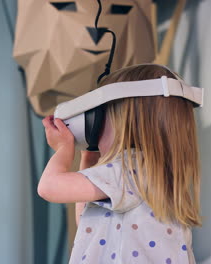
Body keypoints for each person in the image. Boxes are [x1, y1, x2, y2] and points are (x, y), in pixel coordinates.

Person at [39, 64, 201, 263]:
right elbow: (88, 224)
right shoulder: (153, 173)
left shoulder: (130, 168)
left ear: (122, 122)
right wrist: (88, 161)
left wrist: (64, 149)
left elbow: (49, 187)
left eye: (100, 118)